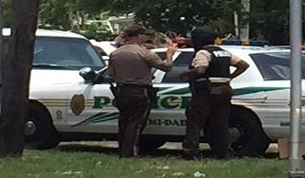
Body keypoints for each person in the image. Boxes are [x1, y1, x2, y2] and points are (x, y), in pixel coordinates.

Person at [107, 25, 176, 158]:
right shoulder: (145, 53)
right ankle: (129, 153)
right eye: (144, 35)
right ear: (138, 36)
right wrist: (169, 55)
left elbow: (111, 74)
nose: (146, 37)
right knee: (136, 123)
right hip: (139, 91)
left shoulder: (115, 53)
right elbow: (166, 68)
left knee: (123, 121)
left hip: (121, 90)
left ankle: (122, 150)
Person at [181, 27, 249, 160]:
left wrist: (186, 74)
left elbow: (201, 69)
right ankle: (224, 153)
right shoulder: (224, 52)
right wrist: (230, 77)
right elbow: (243, 65)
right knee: (220, 123)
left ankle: (190, 152)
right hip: (224, 90)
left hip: (207, 91)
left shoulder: (203, 53)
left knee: (195, 122)